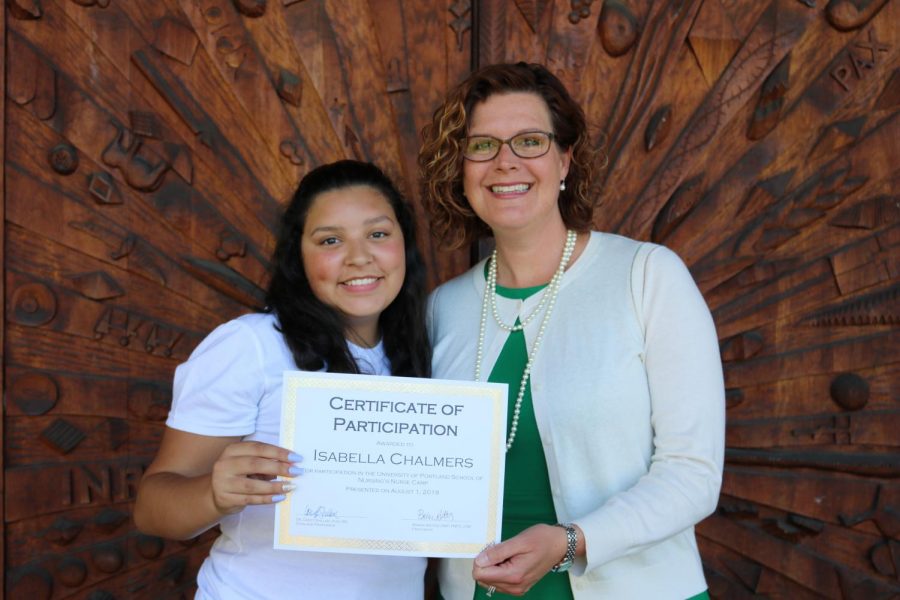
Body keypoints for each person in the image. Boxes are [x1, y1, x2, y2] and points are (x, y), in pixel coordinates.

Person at [418, 62, 725, 599]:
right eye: (482, 145)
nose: (505, 162)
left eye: (530, 141)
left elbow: (693, 473)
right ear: (461, 169)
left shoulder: (646, 276)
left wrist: (571, 542)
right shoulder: (442, 308)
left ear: (565, 159)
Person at [134, 159, 432, 599]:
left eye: (378, 234)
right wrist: (213, 495)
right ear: (300, 256)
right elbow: (152, 508)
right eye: (330, 240)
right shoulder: (251, 345)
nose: (359, 256)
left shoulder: (425, 347)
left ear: (404, 245)